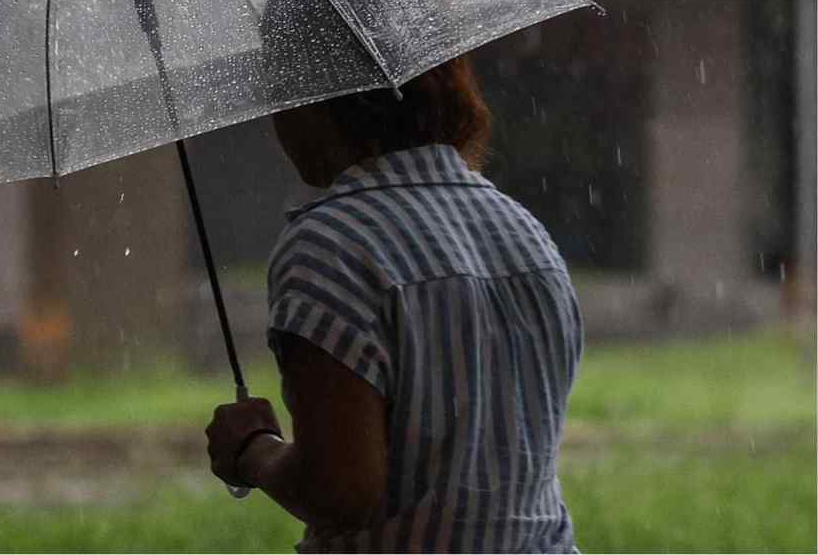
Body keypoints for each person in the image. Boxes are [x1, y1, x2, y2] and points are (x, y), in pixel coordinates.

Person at [204, 52, 584, 549]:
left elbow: (341, 492)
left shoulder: (329, 244)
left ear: (316, 100)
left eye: (281, 89)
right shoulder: (524, 231)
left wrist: (251, 449)